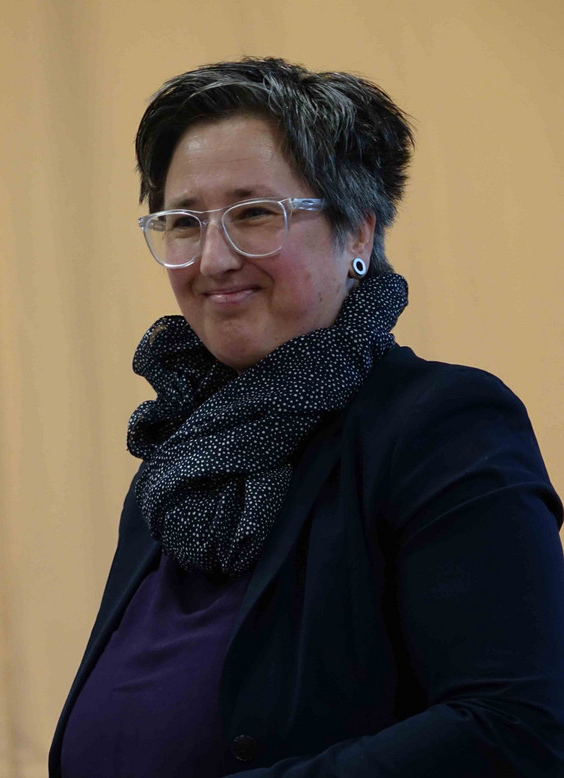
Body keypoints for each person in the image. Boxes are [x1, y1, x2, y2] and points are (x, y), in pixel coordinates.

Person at [49, 58, 564, 777]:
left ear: (358, 234)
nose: (213, 259)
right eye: (183, 222)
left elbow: (515, 728)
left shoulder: (442, 426)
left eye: (254, 214)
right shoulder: (175, 465)